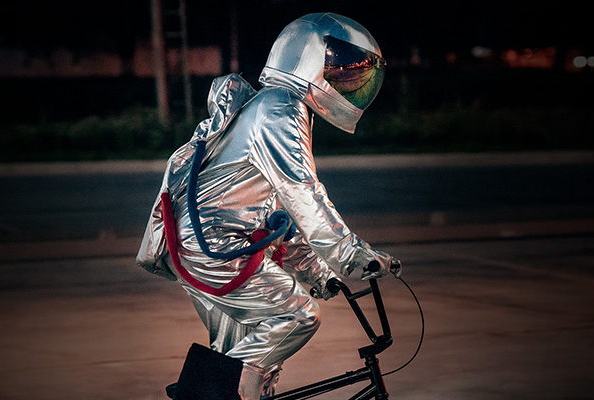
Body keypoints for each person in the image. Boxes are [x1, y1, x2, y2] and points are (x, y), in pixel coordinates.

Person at [137, 12, 401, 400]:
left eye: (356, 72)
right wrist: (352, 256)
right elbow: (304, 195)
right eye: (339, 67)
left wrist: (317, 272)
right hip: (218, 245)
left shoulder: (271, 108)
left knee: (244, 353)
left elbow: (277, 216)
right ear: (306, 58)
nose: (348, 79)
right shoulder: (279, 109)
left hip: (206, 242)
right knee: (296, 316)